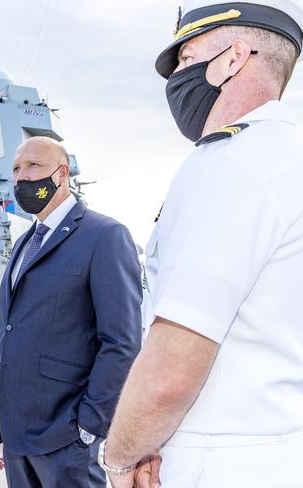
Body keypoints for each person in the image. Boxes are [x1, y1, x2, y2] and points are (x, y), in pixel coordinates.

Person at [99, 1, 303, 487]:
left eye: (187, 61)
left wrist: (121, 457)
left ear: (234, 58)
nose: (175, 82)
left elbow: (173, 367)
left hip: (217, 462)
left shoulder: (232, 164)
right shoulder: (289, 157)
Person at [0, 136, 142, 488]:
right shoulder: (25, 242)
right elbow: (10, 335)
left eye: (34, 166)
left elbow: (121, 342)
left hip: (66, 440)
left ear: (62, 173)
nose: (22, 178)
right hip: (17, 439)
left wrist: (88, 427)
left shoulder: (104, 236)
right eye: (16, 169)